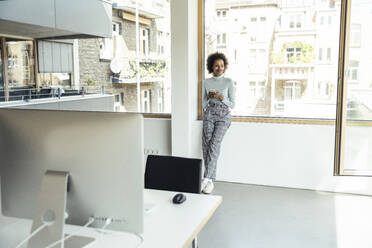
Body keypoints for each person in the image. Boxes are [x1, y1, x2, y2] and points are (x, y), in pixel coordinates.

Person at [201, 52, 235, 194]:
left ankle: (206, 177)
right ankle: (210, 181)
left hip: (223, 115)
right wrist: (208, 97)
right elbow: (203, 103)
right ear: (212, 67)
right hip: (209, 113)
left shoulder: (228, 82)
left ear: (224, 67)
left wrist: (221, 98)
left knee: (215, 144)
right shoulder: (206, 82)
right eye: (216, 66)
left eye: (221, 66)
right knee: (207, 144)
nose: (219, 68)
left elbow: (232, 104)